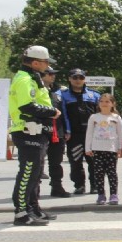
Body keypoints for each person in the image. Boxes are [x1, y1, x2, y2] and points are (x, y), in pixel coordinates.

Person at [8, 45, 61, 226]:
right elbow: (27, 106)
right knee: (28, 173)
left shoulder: (32, 77)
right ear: (36, 62)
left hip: (37, 131)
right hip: (27, 130)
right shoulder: (24, 80)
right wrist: (52, 111)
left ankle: (33, 208)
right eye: (46, 62)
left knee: (36, 173)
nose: (48, 66)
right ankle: (21, 213)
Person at [62, 68, 100, 195]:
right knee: (75, 160)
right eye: (75, 77)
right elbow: (64, 115)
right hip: (74, 135)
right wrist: (67, 131)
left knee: (94, 161)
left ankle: (95, 185)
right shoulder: (64, 95)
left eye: (81, 78)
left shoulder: (94, 95)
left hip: (92, 134)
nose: (78, 80)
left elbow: (100, 115)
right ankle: (79, 185)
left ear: (85, 79)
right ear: (69, 79)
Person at [85, 93, 122, 205]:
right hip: (97, 148)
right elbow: (89, 133)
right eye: (102, 101)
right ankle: (101, 194)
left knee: (111, 172)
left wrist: (120, 148)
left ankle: (114, 194)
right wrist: (88, 147)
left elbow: (120, 133)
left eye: (107, 101)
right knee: (98, 173)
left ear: (113, 104)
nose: (104, 104)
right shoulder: (94, 117)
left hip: (111, 149)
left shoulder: (116, 118)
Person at [40, 67, 70, 198]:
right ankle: (34, 190)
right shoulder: (36, 90)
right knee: (38, 162)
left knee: (56, 162)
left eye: (54, 74)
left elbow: (63, 113)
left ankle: (57, 187)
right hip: (41, 131)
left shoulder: (58, 93)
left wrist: (66, 130)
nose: (53, 76)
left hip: (57, 132)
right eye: (49, 74)